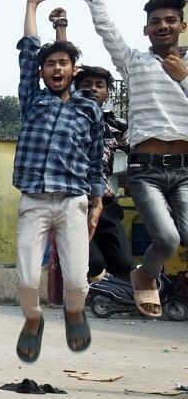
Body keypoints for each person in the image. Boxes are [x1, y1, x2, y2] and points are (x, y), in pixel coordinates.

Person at [76, 0, 188, 317]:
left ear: (182, 26)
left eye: (170, 20)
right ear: (147, 28)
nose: (163, 26)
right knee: (167, 238)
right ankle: (146, 274)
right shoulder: (134, 61)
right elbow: (105, 25)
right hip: (146, 170)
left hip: (185, 170)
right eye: (156, 21)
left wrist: (183, 77)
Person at [13, 0, 101, 362]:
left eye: (63, 63)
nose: (57, 68)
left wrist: (96, 201)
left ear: (73, 70)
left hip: (72, 202)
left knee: (77, 280)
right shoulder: (33, 100)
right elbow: (29, 50)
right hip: (34, 199)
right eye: (50, 64)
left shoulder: (88, 109)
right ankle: (33, 319)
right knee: (26, 279)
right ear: (42, 72)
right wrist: (31, 5)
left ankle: (74, 312)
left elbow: (95, 159)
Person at [71, 63, 134, 281]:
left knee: (124, 263)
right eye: (87, 84)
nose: (93, 89)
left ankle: (109, 293)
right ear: (76, 89)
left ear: (108, 92)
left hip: (105, 202)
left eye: (99, 85)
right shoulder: (65, 118)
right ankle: (88, 288)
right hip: (73, 200)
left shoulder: (117, 125)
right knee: (93, 263)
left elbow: (135, 155)